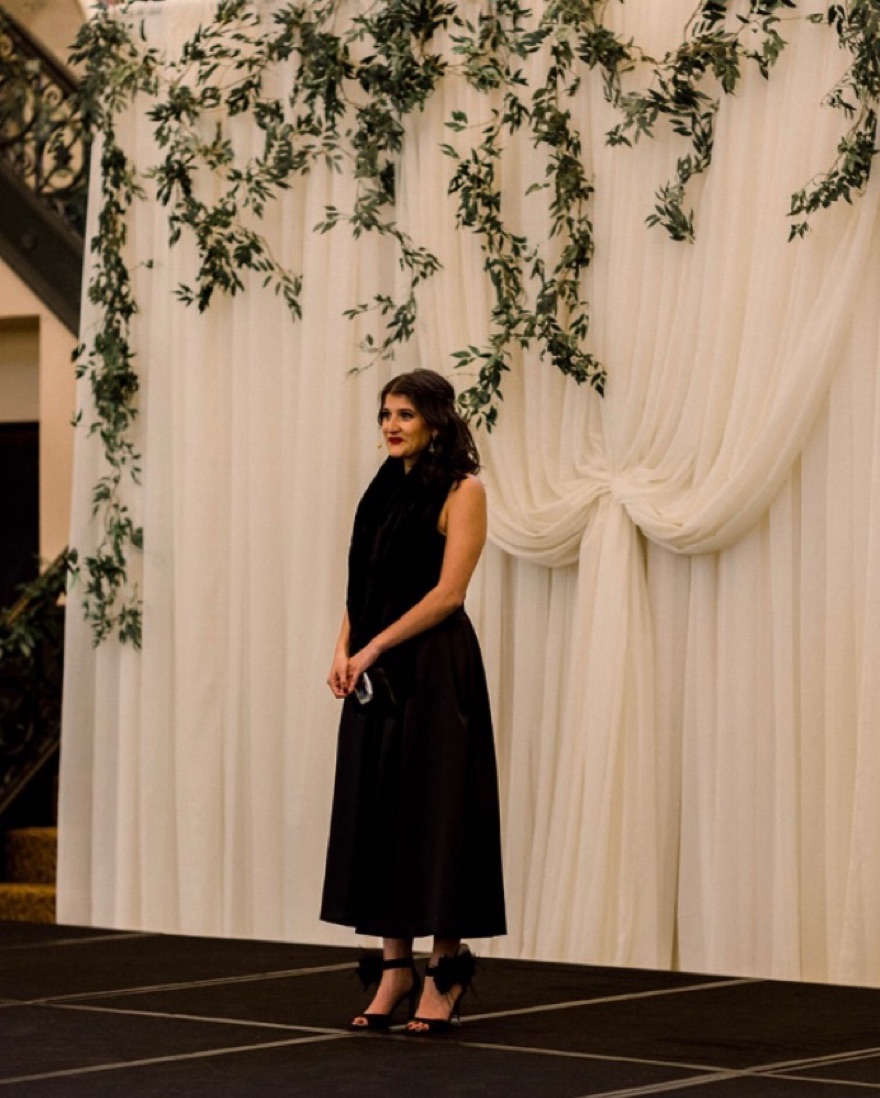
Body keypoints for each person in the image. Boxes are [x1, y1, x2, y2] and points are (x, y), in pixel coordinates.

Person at [321, 368, 506, 1035]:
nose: (392, 425)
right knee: (381, 814)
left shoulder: (464, 490)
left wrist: (371, 649)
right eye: (385, 414)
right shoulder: (380, 491)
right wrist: (343, 649)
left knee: (440, 814)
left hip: (434, 672)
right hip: (378, 673)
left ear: (435, 419)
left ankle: (443, 974)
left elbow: (448, 595)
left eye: (405, 413)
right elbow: (362, 586)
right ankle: (394, 969)